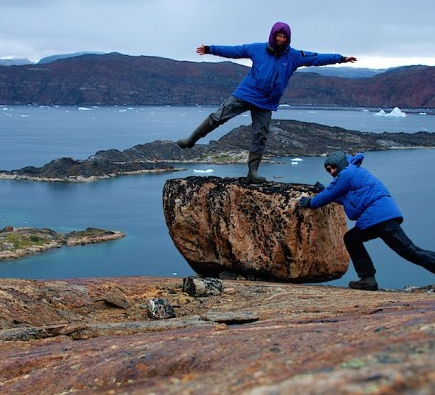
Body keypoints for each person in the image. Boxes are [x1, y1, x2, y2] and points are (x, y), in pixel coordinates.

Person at [176, 22, 357, 182]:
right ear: (272, 36)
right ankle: (191, 139)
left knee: (260, 135)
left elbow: (317, 58)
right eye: (278, 36)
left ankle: (252, 172)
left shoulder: (293, 56)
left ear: (288, 39)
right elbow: (234, 51)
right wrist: (210, 48)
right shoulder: (257, 49)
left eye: (284, 37)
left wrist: (340, 59)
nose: (281, 39)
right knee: (219, 116)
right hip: (246, 93)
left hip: (266, 102)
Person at [298, 150, 435, 290]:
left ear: (340, 163)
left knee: (409, 251)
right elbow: (340, 196)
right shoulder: (351, 172)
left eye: (333, 167)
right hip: (377, 217)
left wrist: (311, 202)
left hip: (380, 216)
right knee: (354, 239)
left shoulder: (348, 173)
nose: (332, 171)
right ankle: (367, 278)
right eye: (329, 170)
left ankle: (368, 278)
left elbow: (331, 193)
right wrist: (323, 191)